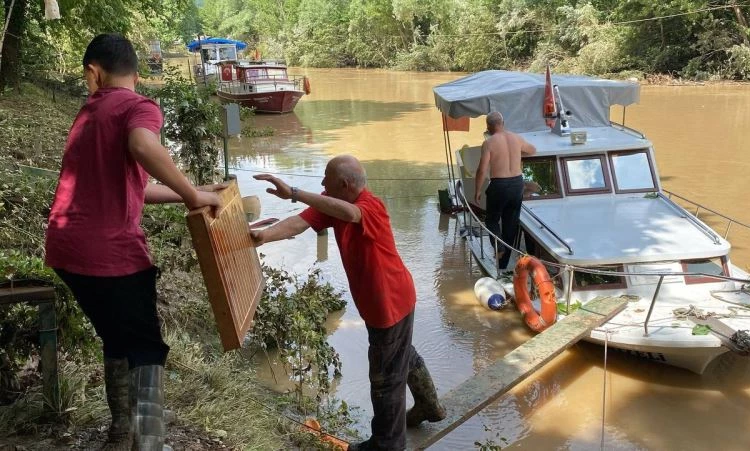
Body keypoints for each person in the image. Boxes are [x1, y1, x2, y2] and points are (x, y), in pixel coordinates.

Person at [44, 33, 221, 451]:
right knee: (146, 349)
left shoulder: (89, 113)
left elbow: (133, 188)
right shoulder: (138, 107)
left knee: (117, 338)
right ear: (135, 74)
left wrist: (189, 190)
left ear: (94, 71)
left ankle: (121, 432)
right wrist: (195, 197)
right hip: (110, 254)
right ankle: (150, 443)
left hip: (66, 251)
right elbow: (143, 146)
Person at [250, 155, 446, 451]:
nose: (321, 184)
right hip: (392, 297)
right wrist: (264, 235)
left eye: (325, 180)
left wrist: (293, 192)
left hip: (388, 304)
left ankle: (387, 444)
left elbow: (353, 214)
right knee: (399, 355)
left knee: (385, 379)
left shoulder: (370, 207)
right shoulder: (332, 202)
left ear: (343, 184)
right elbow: (298, 223)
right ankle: (430, 407)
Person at [474, 111, 536, 271]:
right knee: (511, 224)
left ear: (488, 127)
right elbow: (532, 150)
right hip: (517, 184)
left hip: (499, 185)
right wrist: (518, 152)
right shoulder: (516, 138)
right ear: (503, 123)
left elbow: (482, 170)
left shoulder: (489, 143)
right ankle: (502, 265)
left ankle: (499, 247)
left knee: (491, 220)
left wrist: (478, 190)